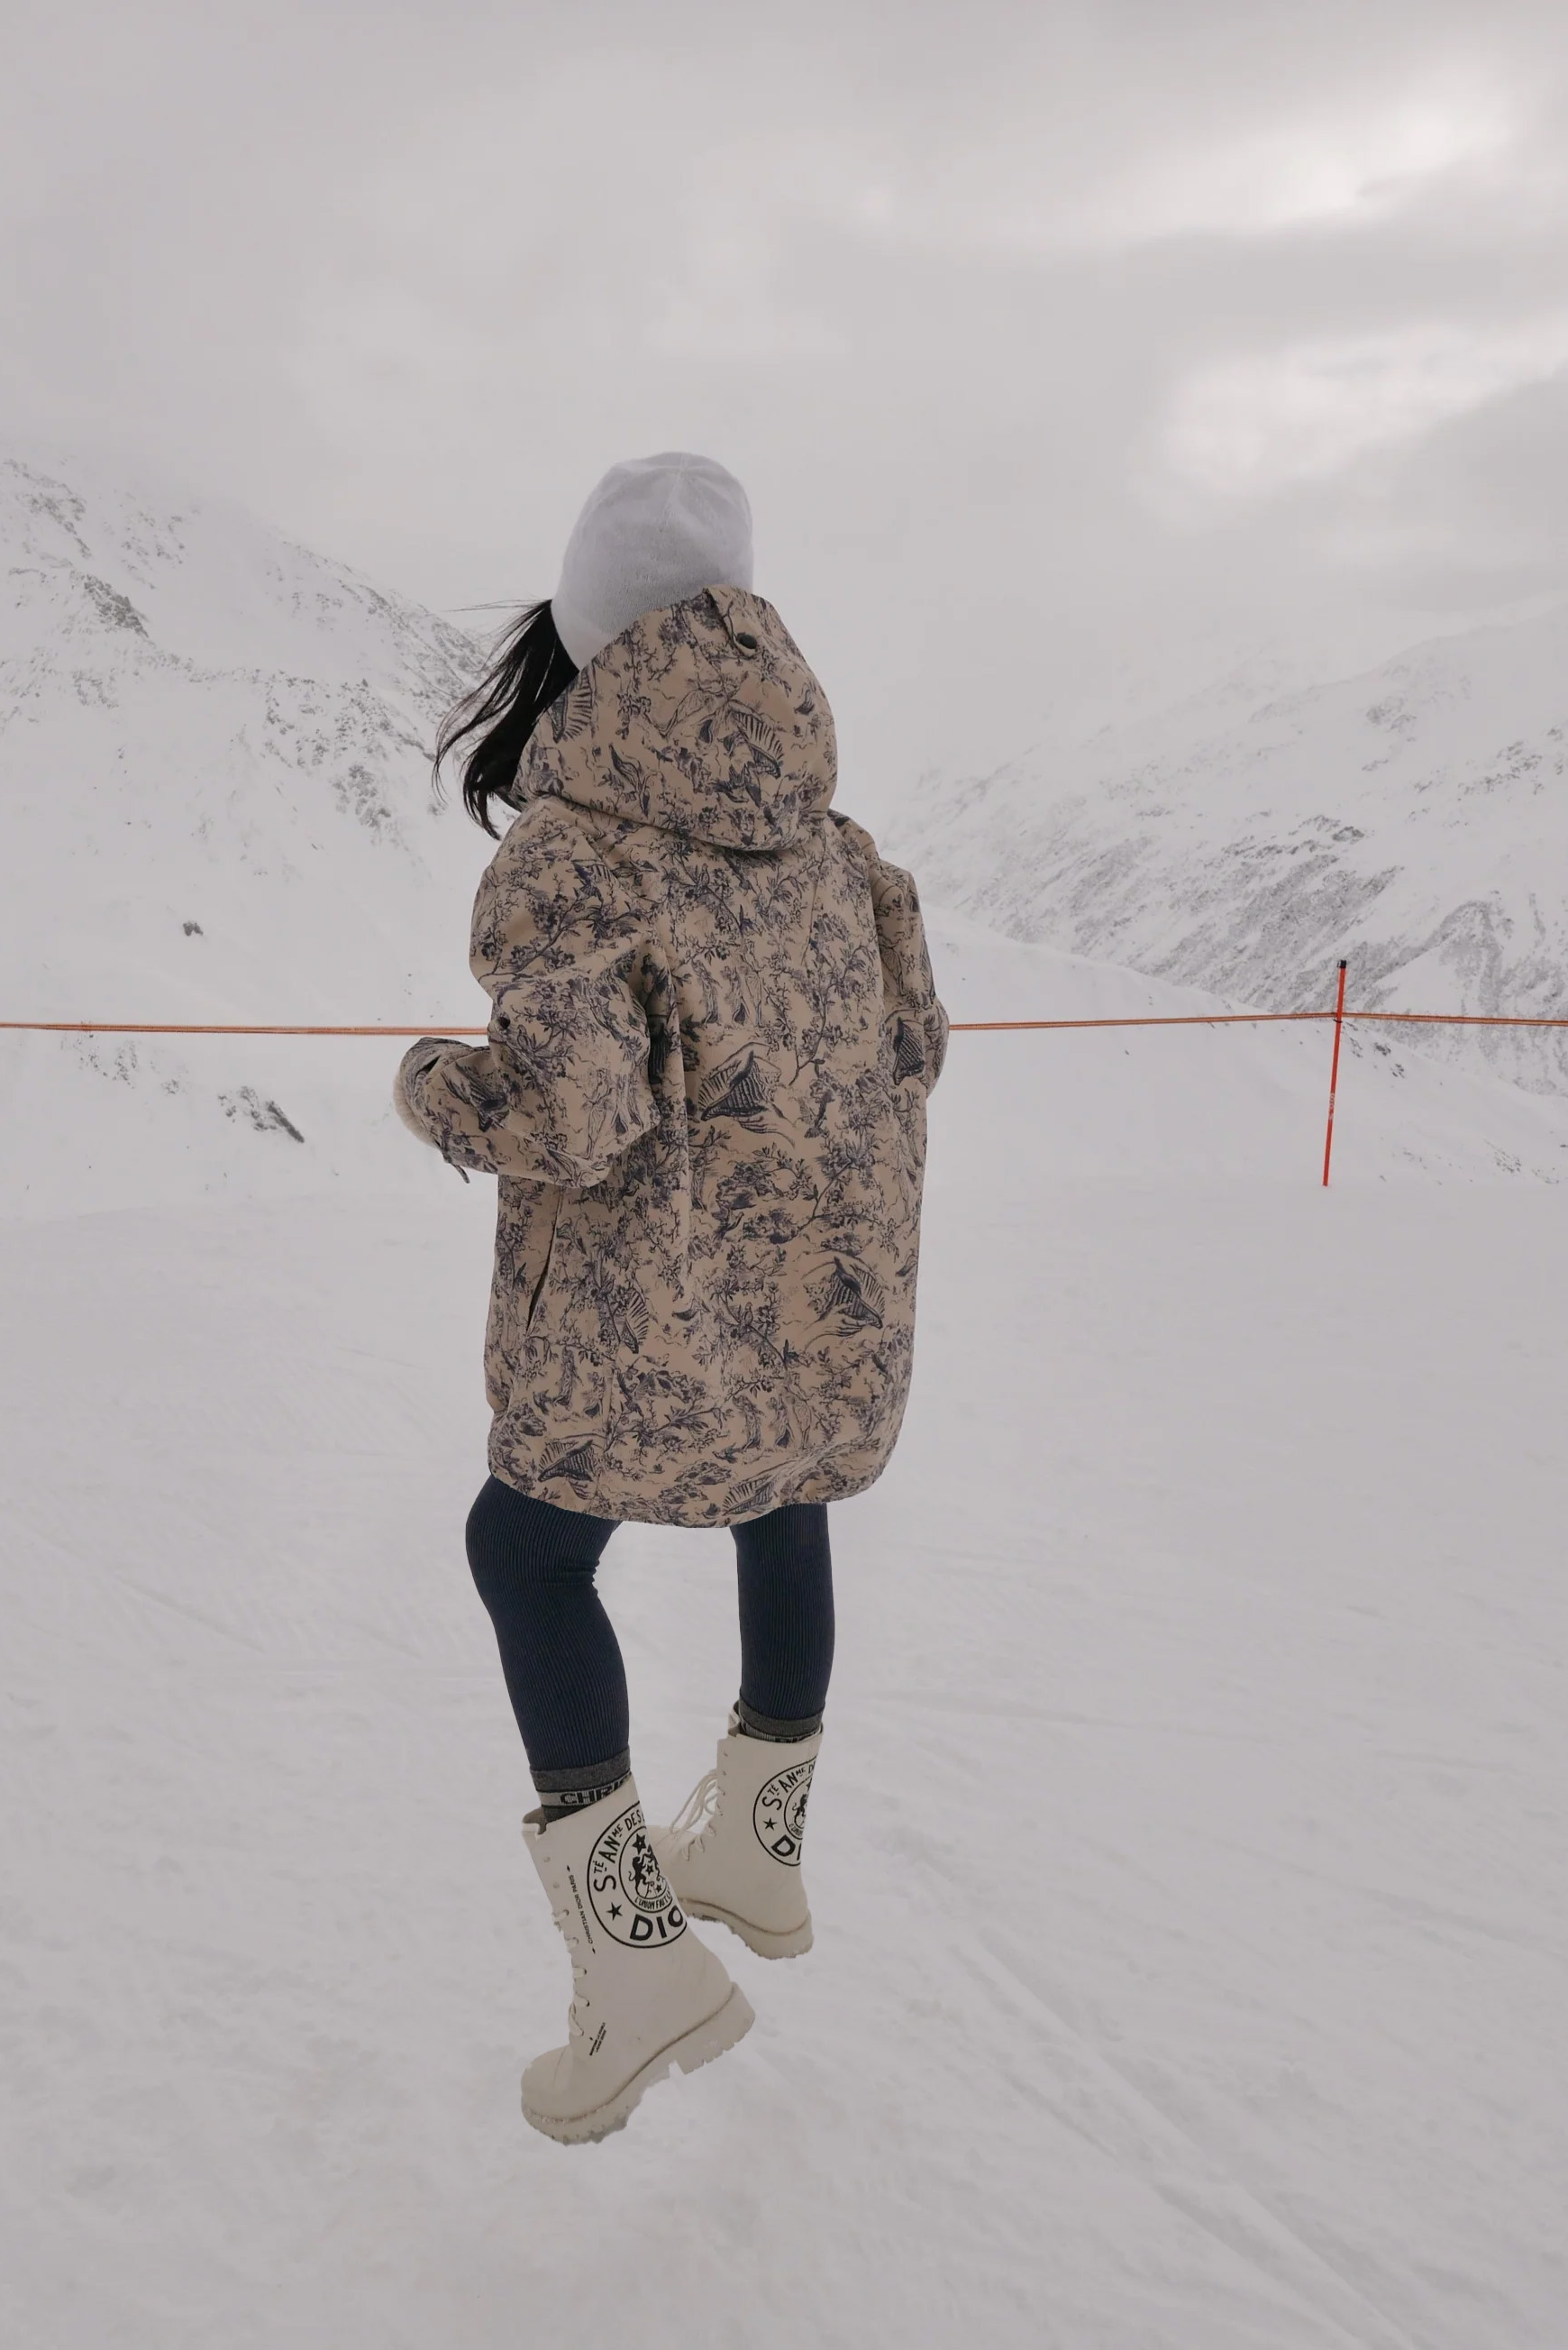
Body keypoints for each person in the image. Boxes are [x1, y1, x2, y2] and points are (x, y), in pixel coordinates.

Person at [396, 452, 947, 2143]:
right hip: (824, 1300)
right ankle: (758, 1852)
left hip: (641, 1312)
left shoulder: (575, 857)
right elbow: (912, 1050)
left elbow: (575, 1115)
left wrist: (437, 1089)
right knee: (784, 1494)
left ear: (580, 640)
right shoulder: (838, 846)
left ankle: (635, 1963)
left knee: (523, 1549)